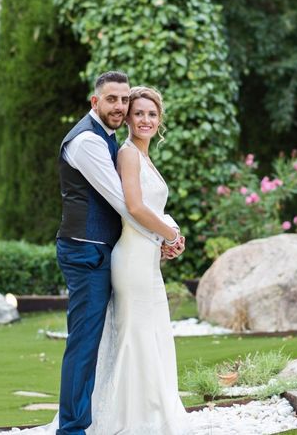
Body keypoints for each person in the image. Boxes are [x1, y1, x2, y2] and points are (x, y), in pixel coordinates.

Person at [52, 72, 185, 435]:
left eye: (124, 99)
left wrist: (158, 239)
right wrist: (167, 236)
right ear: (95, 102)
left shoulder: (112, 140)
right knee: (86, 339)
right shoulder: (87, 143)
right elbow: (126, 205)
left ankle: (136, 409)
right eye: (113, 99)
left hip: (114, 251)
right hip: (86, 251)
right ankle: (73, 429)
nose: (121, 107)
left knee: (122, 335)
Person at [86, 85, 189, 434]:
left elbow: (151, 210)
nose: (145, 119)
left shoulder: (145, 157)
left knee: (152, 334)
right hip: (131, 260)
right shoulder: (128, 154)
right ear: (128, 118)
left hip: (147, 258)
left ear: (159, 120)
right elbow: (133, 207)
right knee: (137, 337)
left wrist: (168, 235)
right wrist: (170, 235)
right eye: (139, 113)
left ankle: (155, 410)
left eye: (151, 114)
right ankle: (132, 419)